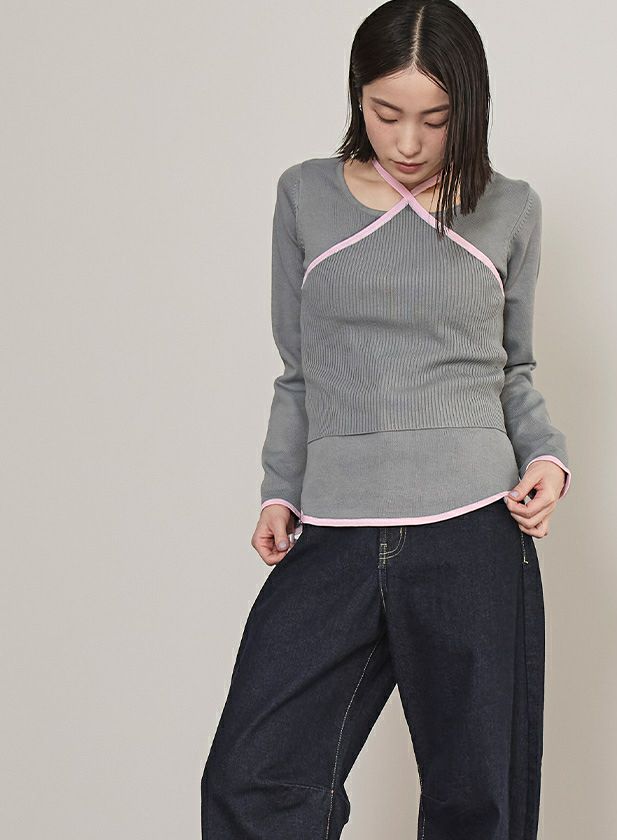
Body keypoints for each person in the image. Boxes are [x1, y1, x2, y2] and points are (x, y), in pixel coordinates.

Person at [201, 1, 572, 837]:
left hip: (474, 526)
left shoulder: (509, 208)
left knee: (478, 800)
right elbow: (300, 370)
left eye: (435, 119)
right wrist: (278, 489)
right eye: (386, 112)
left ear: (469, 108)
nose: (408, 141)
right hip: (335, 524)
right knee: (254, 779)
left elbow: (514, 369)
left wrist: (546, 458)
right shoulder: (305, 195)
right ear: (356, 96)